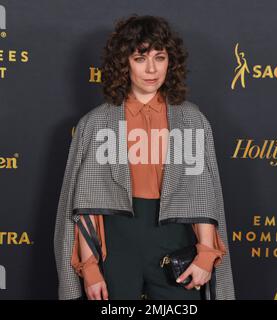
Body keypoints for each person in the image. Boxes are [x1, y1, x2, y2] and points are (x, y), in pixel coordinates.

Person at [54, 14, 235, 300]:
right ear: (124, 64)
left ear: (170, 61)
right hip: (115, 244)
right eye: (140, 58)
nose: (151, 69)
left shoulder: (191, 119)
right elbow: (87, 203)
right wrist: (89, 268)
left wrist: (206, 253)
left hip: (175, 239)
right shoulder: (97, 122)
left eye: (159, 57)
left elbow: (201, 193)